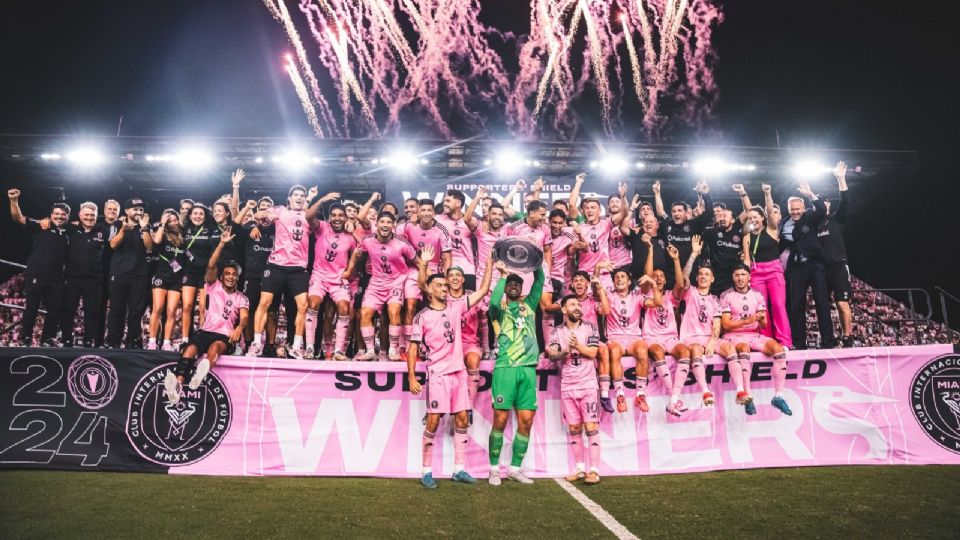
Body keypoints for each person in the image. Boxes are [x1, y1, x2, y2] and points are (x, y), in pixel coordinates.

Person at [407, 246, 494, 489]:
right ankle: (426, 471)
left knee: (462, 419)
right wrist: (412, 377)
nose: (446, 289)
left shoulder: (456, 307)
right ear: (431, 290)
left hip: (459, 374)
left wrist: (489, 265)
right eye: (441, 286)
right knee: (433, 421)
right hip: (437, 375)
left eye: (447, 286)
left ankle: (459, 469)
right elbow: (412, 349)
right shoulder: (422, 317)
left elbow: (483, 290)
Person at [247, 185, 334, 359]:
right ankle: (256, 344)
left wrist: (313, 200)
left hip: (298, 268)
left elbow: (322, 227)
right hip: (276, 265)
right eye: (296, 195)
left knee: (303, 306)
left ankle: (295, 346)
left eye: (302, 195)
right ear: (289, 198)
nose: (299, 197)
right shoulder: (279, 210)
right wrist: (265, 214)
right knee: (265, 303)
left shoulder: (309, 216)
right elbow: (257, 215)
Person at [164, 229, 248, 403]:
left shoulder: (241, 297)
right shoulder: (213, 286)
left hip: (224, 335)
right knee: (190, 350)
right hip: (205, 331)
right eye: (227, 274)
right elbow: (211, 265)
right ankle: (178, 384)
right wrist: (222, 244)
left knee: (215, 348)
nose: (231, 277)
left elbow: (245, 317)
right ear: (221, 276)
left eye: (234, 274)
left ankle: (201, 373)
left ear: (238, 278)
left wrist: (239, 327)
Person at [487, 264, 545, 486]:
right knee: (500, 419)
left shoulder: (529, 306)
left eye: (516, 283)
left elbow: (539, 281)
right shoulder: (498, 310)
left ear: (521, 288)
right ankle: (493, 469)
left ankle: (515, 468)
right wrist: (501, 276)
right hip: (506, 368)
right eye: (509, 283)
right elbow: (492, 302)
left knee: (526, 420)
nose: (512, 286)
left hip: (528, 369)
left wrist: (535, 259)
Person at [676, 235, 741, 410]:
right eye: (701, 274)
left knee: (729, 348)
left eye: (707, 275)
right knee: (696, 350)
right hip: (691, 337)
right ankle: (705, 391)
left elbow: (717, 324)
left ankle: (741, 391)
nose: (703, 277)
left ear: (713, 279)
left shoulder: (715, 300)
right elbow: (683, 277)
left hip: (708, 337)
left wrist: (713, 340)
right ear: (697, 278)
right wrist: (693, 254)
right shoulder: (691, 292)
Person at [344, 211, 418, 360]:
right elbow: (357, 253)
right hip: (376, 283)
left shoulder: (402, 243)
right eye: (382, 222)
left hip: (396, 283)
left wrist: (426, 279)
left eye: (388, 222)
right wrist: (349, 270)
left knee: (394, 311)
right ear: (376, 224)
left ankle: (393, 350)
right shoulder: (368, 240)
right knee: (364, 314)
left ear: (393, 225)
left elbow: (418, 261)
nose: (385, 225)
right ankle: (370, 351)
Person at [721, 264, 792, 416]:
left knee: (778, 350)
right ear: (733, 278)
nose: (740, 278)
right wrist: (748, 321)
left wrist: (760, 319)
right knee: (743, 349)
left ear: (749, 277)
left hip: (754, 335)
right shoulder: (726, 296)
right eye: (737, 275)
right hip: (734, 335)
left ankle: (779, 396)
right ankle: (747, 396)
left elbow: (764, 323)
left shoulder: (758, 295)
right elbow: (725, 324)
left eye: (743, 275)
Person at [546, 295, 602, 484]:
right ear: (563, 310)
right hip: (568, 385)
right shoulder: (556, 332)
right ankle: (579, 469)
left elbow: (593, 353)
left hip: (587, 384)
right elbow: (552, 354)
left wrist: (577, 345)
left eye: (578, 304)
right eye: (572, 305)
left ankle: (594, 470)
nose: (577, 307)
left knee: (591, 427)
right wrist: (565, 351)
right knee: (574, 428)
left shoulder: (590, 328)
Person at [7, 188, 69, 346]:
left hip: (57, 278)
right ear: (51, 214)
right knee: (32, 307)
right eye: (56, 213)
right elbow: (18, 218)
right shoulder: (42, 226)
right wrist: (14, 200)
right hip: (36, 273)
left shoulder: (70, 232)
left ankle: (47, 339)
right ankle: (25, 338)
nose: (59, 216)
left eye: (63, 214)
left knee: (55, 309)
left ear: (68, 216)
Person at [778, 180, 832, 349]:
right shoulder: (784, 223)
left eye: (797, 209)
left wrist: (810, 194)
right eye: (792, 209)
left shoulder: (810, 217)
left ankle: (828, 342)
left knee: (822, 302)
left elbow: (822, 210)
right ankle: (799, 343)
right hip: (796, 268)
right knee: (796, 306)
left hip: (815, 265)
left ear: (803, 208)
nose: (795, 212)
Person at [304, 199, 357, 360]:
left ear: (346, 218)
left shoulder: (350, 236)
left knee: (344, 307)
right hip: (319, 276)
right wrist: (323, 200)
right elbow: (308, 216)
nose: (337, 218)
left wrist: (349, 270)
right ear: (329, 218)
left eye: (341, 215)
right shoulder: (322, 227)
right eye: (333, 215)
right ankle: (309, 348)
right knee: (313, 303)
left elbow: (357, 252)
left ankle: (339, 351)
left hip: (338, 279)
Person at [643, 245, 689, 417]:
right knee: (656, 351)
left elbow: (680, 283)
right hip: (652, 337)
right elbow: (647, 278)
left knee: (685, 352)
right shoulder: (646, 294)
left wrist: (676, 259)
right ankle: (673, 397)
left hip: (670, 337)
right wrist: (650, 249)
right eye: (656, 276)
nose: (659, 278)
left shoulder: (670, 295)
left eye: (662, 276)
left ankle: (674, 398)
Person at [402, 198, 452, 354]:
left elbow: (447, 258)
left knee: (431, 308)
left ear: (434, 213)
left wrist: (444, 279)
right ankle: (408, 346)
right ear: (417, 212)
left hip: (433, 271)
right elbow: (393, 237)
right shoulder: (408, 227)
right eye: (422, 210)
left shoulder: (442, 231)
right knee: (410, 306)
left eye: (429, 210)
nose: (426, 213)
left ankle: (427, 345)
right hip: (413, 270)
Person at [742, 196, 793, 349]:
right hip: (756, 273)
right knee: (761, 310)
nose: (752, 220)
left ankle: (784, 342)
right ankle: (766, 341)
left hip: (774, 271)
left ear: (762, 218)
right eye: (750, 218)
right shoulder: (746, 237)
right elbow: (746, 260)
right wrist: (746, 277)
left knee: (778, 305)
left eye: (755, 217)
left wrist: (767, 193)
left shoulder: (771, 229)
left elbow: (771, 211)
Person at [606, 265, 655, 413]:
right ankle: (620, 395)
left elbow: (657, 302)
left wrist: (652, 284)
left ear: (629, 282)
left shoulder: (637, 296)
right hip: (615, 337)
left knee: (642, 350)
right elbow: (597, 291)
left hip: (633, 337)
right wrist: (597, 272)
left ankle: (640, 394)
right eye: (616, 277)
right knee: (614, 351)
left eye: (622, 277)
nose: (619, 279)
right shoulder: (609, 295)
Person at [60, 201, 109, 348]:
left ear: (96, 216)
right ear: (80, 216)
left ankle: (89, 340)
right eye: (86, 215)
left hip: (94, 279)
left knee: (92, 311)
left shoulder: (103, 232)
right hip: (72, 277)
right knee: (68, 309)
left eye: (92, 215)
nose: (89, 218)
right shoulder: (71, 229)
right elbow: (56, 222)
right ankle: (66, 339)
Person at [820, 161, 854, 347]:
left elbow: (846, 201)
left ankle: (847, 336)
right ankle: (828, 338)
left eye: (825, 202)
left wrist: (841, 178)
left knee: (842, 304)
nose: (822, 205)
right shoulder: (812, 225)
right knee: (823, 307)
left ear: (829, 205)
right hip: (820, 270)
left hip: (838, 266)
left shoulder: (836, 220)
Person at [147, 209, 186, 350]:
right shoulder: (162, 233)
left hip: (176, 278)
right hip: (162, 275)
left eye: (175, 220)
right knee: (157, 308)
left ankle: (166, 342)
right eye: (170, 221)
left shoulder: (183, 237)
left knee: (171, 311)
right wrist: (162, 224)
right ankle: (152, 341)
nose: (174, 223)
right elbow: (156, 241)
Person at [435, 188, 482, 290]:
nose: (444, 204)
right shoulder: (437, 220)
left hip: (467, 269)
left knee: (469, 302)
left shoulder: (470, 221)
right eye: (444, 201)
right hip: (447, 270)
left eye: (448, 201)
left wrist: (477, 198)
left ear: (458, 203)